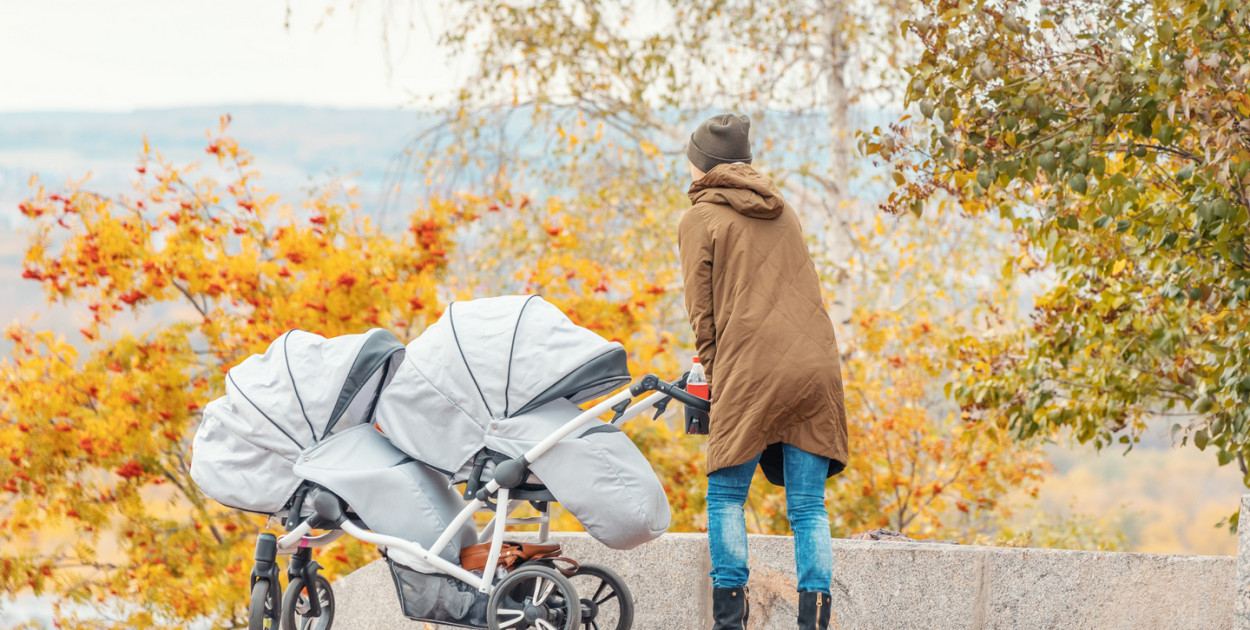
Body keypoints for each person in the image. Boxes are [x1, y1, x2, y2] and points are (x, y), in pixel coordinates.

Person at [678, 113, 849, 630]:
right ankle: (814, 620)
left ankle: (730, 619)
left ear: (701, 163)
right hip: (815, 365)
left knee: (727, 493)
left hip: (750, 366)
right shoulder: (784, 210)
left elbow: (701, 310)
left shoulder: (700, 219)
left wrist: (713, 366)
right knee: (807, 507)